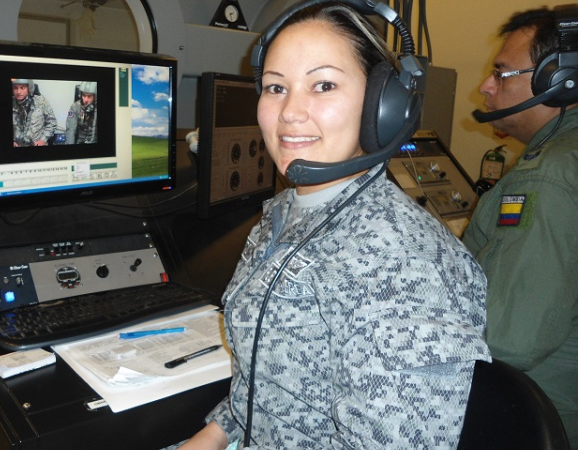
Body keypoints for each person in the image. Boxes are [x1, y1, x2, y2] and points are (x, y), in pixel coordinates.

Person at [176, 2, 490, 449]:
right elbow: (263, 390)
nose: (289, 112)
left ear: (383, 106)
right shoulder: (283, 214)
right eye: (275, 87)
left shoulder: (401, 266)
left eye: (323, 85)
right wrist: (207, 439)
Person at [463, 6, 578, 447]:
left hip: (535, 417)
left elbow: (511, 340)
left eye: (501, 73)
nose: (485, 87)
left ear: (558, 79)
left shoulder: (546, 178)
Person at [12, 78, 57, 147]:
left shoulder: (41, 101)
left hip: (36, 145)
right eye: (15, 88)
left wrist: (43, 140)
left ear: (29, 88)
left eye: (22, 88)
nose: (18, 92)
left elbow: (52, 123)